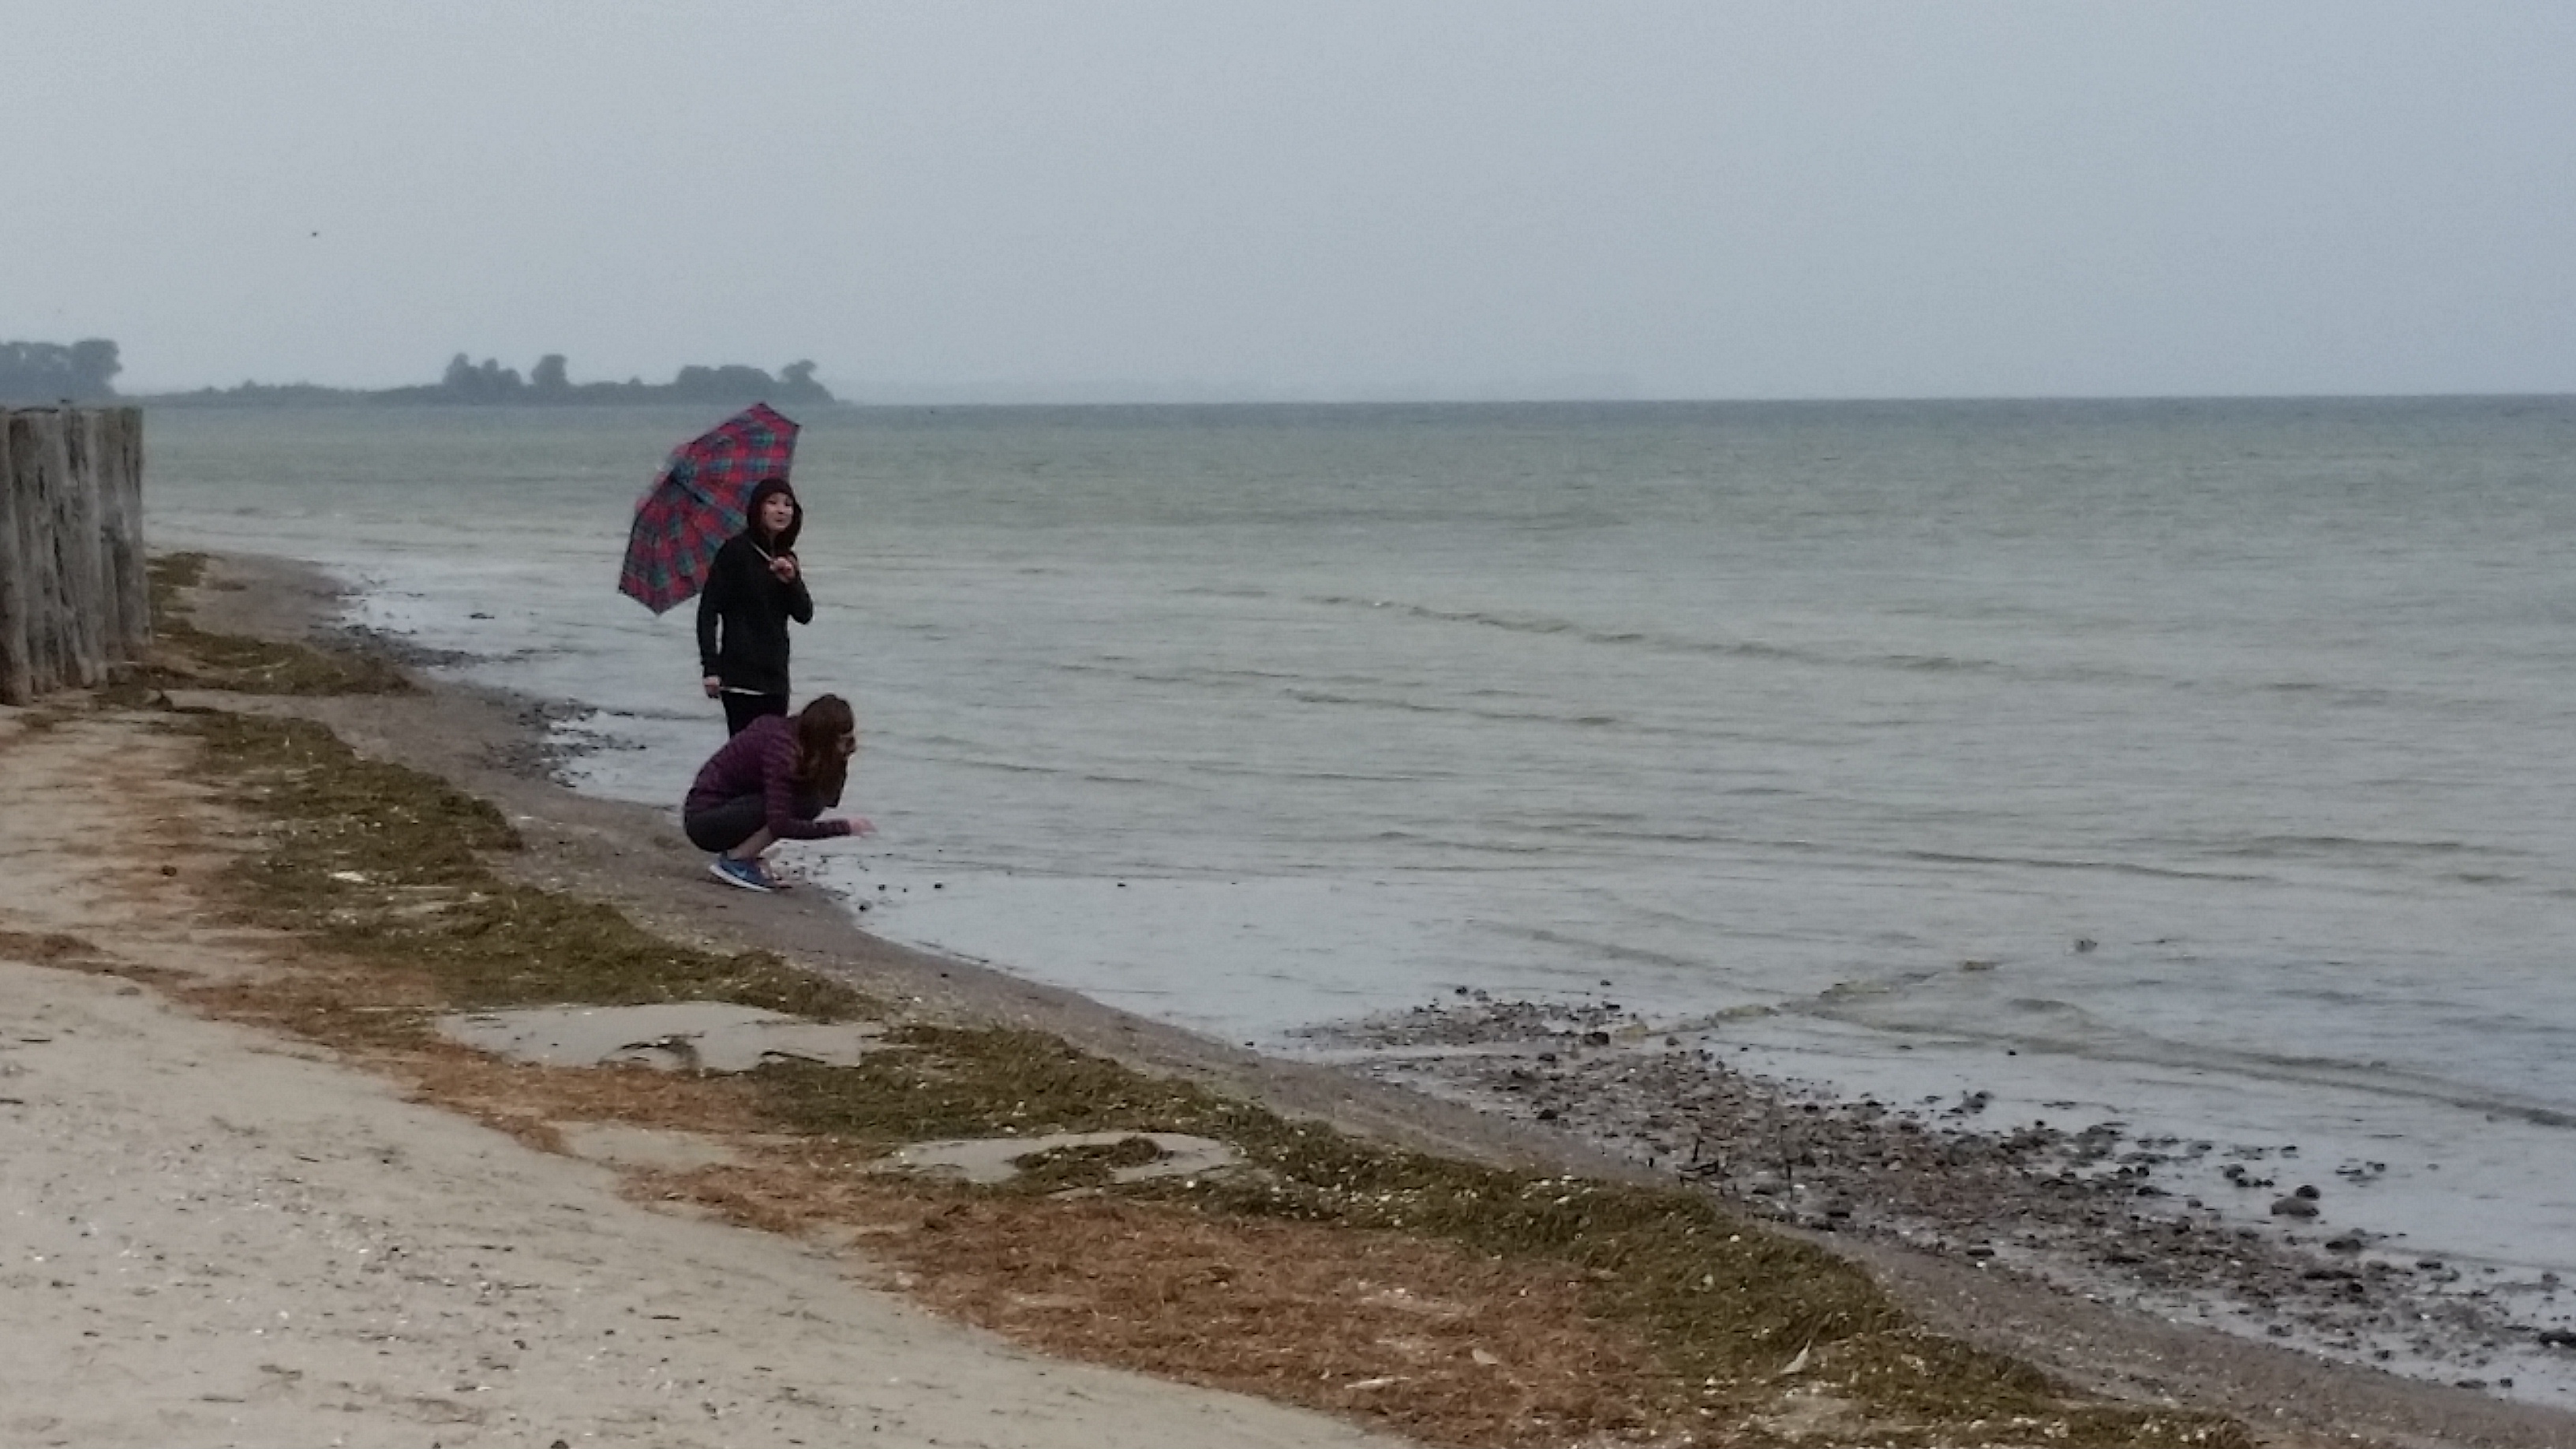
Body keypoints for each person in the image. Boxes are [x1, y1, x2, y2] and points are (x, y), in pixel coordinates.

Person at [682, 693, 873, 892]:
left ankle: (744, 853)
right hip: (705, 820)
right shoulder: (781, 749)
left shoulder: (795, 738)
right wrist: (844, 827)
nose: (844, 745)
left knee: (810, 799)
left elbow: (831, 798)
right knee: (805, 804)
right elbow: (781, 824)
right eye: (840, 741)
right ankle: (738, 860)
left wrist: (840, 761)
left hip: (726, 808)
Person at [697, 476, 813, 735]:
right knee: (743, 751)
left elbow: (805, 614)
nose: (781, 510)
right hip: (739, 677)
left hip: (776, 679)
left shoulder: (786, 557)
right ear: (758, 508)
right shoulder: (735, 552)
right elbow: (708, 611)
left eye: (788, 504)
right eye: (773, 503)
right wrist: (710, 668)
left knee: (774, 751)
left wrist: (792, 581)